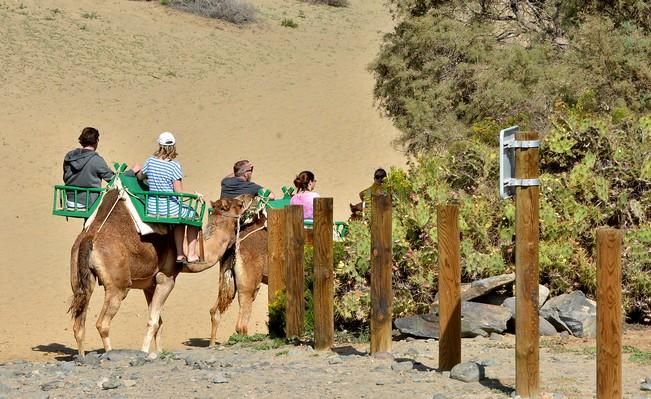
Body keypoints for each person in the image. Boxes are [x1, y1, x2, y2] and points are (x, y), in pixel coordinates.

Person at [136, 132, 203, 264]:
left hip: (153, 207)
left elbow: (140, 177)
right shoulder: (174, 166)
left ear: (159, 145)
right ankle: (191, 254)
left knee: (180, 219)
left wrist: (141, 173)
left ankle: (179, 254)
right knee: (193, 216)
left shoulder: (150, 161)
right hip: (169, 208)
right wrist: (196, 195)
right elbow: (179, 193)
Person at [63, 127, 115, 209]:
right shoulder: (96, 160)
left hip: (70, 201)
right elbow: (113, 179)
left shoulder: (69, 156)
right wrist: (131, 172)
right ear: (96, 141)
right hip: (88, 202)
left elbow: (65, 176)